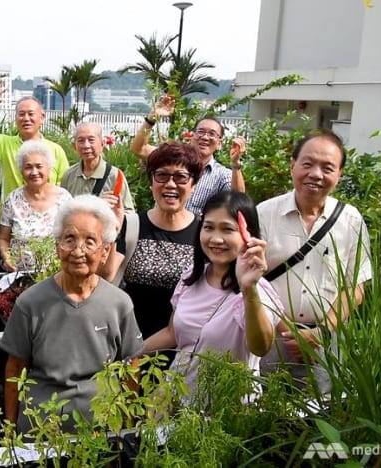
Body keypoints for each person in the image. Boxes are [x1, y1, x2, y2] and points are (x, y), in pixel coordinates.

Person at [0, 194, 143, 432]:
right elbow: (15, 370)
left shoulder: (119, 303)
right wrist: (10, 429)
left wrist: (126, 430)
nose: (78, 250)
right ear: (57, 247)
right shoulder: (30, 303)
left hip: (101, 429)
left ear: (105, 251)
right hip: (41, 427)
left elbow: (131, 367)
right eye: (69, 239)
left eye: (90, 241)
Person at [257, 129, 372, 392]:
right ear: (292, 166)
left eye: (327, 167)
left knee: (321, 417)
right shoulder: (264, 213)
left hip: (326, 340)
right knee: (263, 414)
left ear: (339, 175)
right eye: (307, 164)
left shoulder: (351, 220)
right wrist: (292, 333)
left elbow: (355, 287)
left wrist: (321, 332)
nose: (316, 174)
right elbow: (252, 283)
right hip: (272, 337)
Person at [142, 191, 282, 397]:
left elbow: (261, 347)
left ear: (248, 235)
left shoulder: (258, 291)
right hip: (176, 399)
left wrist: (248, 288)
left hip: (227, 409)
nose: (216, 239)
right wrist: (128, 353)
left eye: (227, 229)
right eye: (208, 227)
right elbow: (172, 334)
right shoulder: (191, 278)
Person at [100, 142, 202, 360]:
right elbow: (106, 277)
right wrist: (111, 230)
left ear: (193, 184)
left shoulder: (203, 233)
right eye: (162, 175)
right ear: (151, 181)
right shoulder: (132, 225)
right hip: (125, 346)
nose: (171, 184)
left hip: (182, 352)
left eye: (181, 177)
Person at [130, 95, 246, 214]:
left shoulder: (222, 175)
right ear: (192, 136)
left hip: (196, 232)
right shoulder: (172, 157)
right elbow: (139, 148)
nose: (205, 137)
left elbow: (239, 200)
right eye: (200, 131)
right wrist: (152, 118)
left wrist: (236, 164)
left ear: (219, 143)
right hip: (159, 227)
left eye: (212, 134)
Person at [0, 78, 70, 200]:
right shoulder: (4, 143)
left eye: (31, 114)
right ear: (16, 118)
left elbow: (65, 187)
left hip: (48, 215)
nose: (26, 118)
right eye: (22, 114)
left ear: (42, 117)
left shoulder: (56, 150)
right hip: (12, 213)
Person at [0, 141, 73, 272]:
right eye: (28, 167)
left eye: (39, 166)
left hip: (56, 275)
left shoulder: (64, 198)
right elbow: (3, 238)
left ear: (49, 169)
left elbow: (73, 236)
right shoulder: (13, 199)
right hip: (20, 275)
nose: (34, 172)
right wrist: (7, 258)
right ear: (21, 171)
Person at [61, 122, 135, 211]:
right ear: (74, 146)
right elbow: (62, 210)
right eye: (81, 141)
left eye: (91, 140)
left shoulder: (115, 176)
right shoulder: (69, 175)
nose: (86, 145)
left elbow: (129, 213)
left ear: (102, 144)